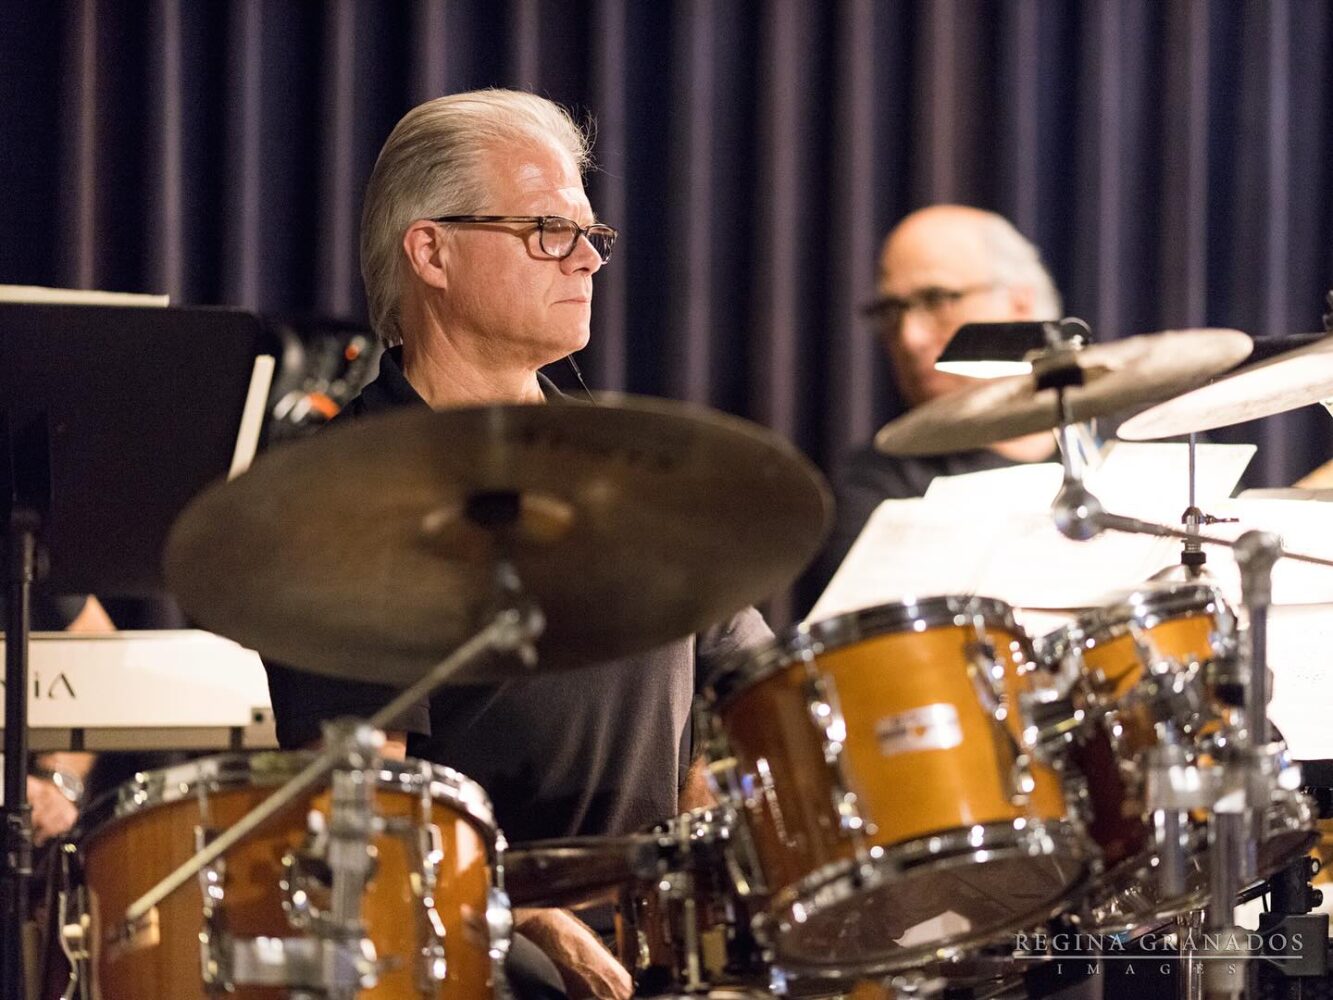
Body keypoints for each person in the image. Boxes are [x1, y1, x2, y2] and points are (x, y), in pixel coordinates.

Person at [263, 89, 770, 1000]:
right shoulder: (344, 495)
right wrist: (512, 915)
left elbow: (742, 694)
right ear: (431, 252)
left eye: (590, 233)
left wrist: (703, 871)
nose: (587, 258)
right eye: (547, 229)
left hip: (665, 942)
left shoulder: (629, 472)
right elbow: (365, 817)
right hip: (476, 951)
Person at [806, 205, 1063, 604]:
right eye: (892, 311)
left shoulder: (1134, 441)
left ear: (1020, 304)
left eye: (937, 299)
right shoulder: (878, 483)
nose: (910, 338)